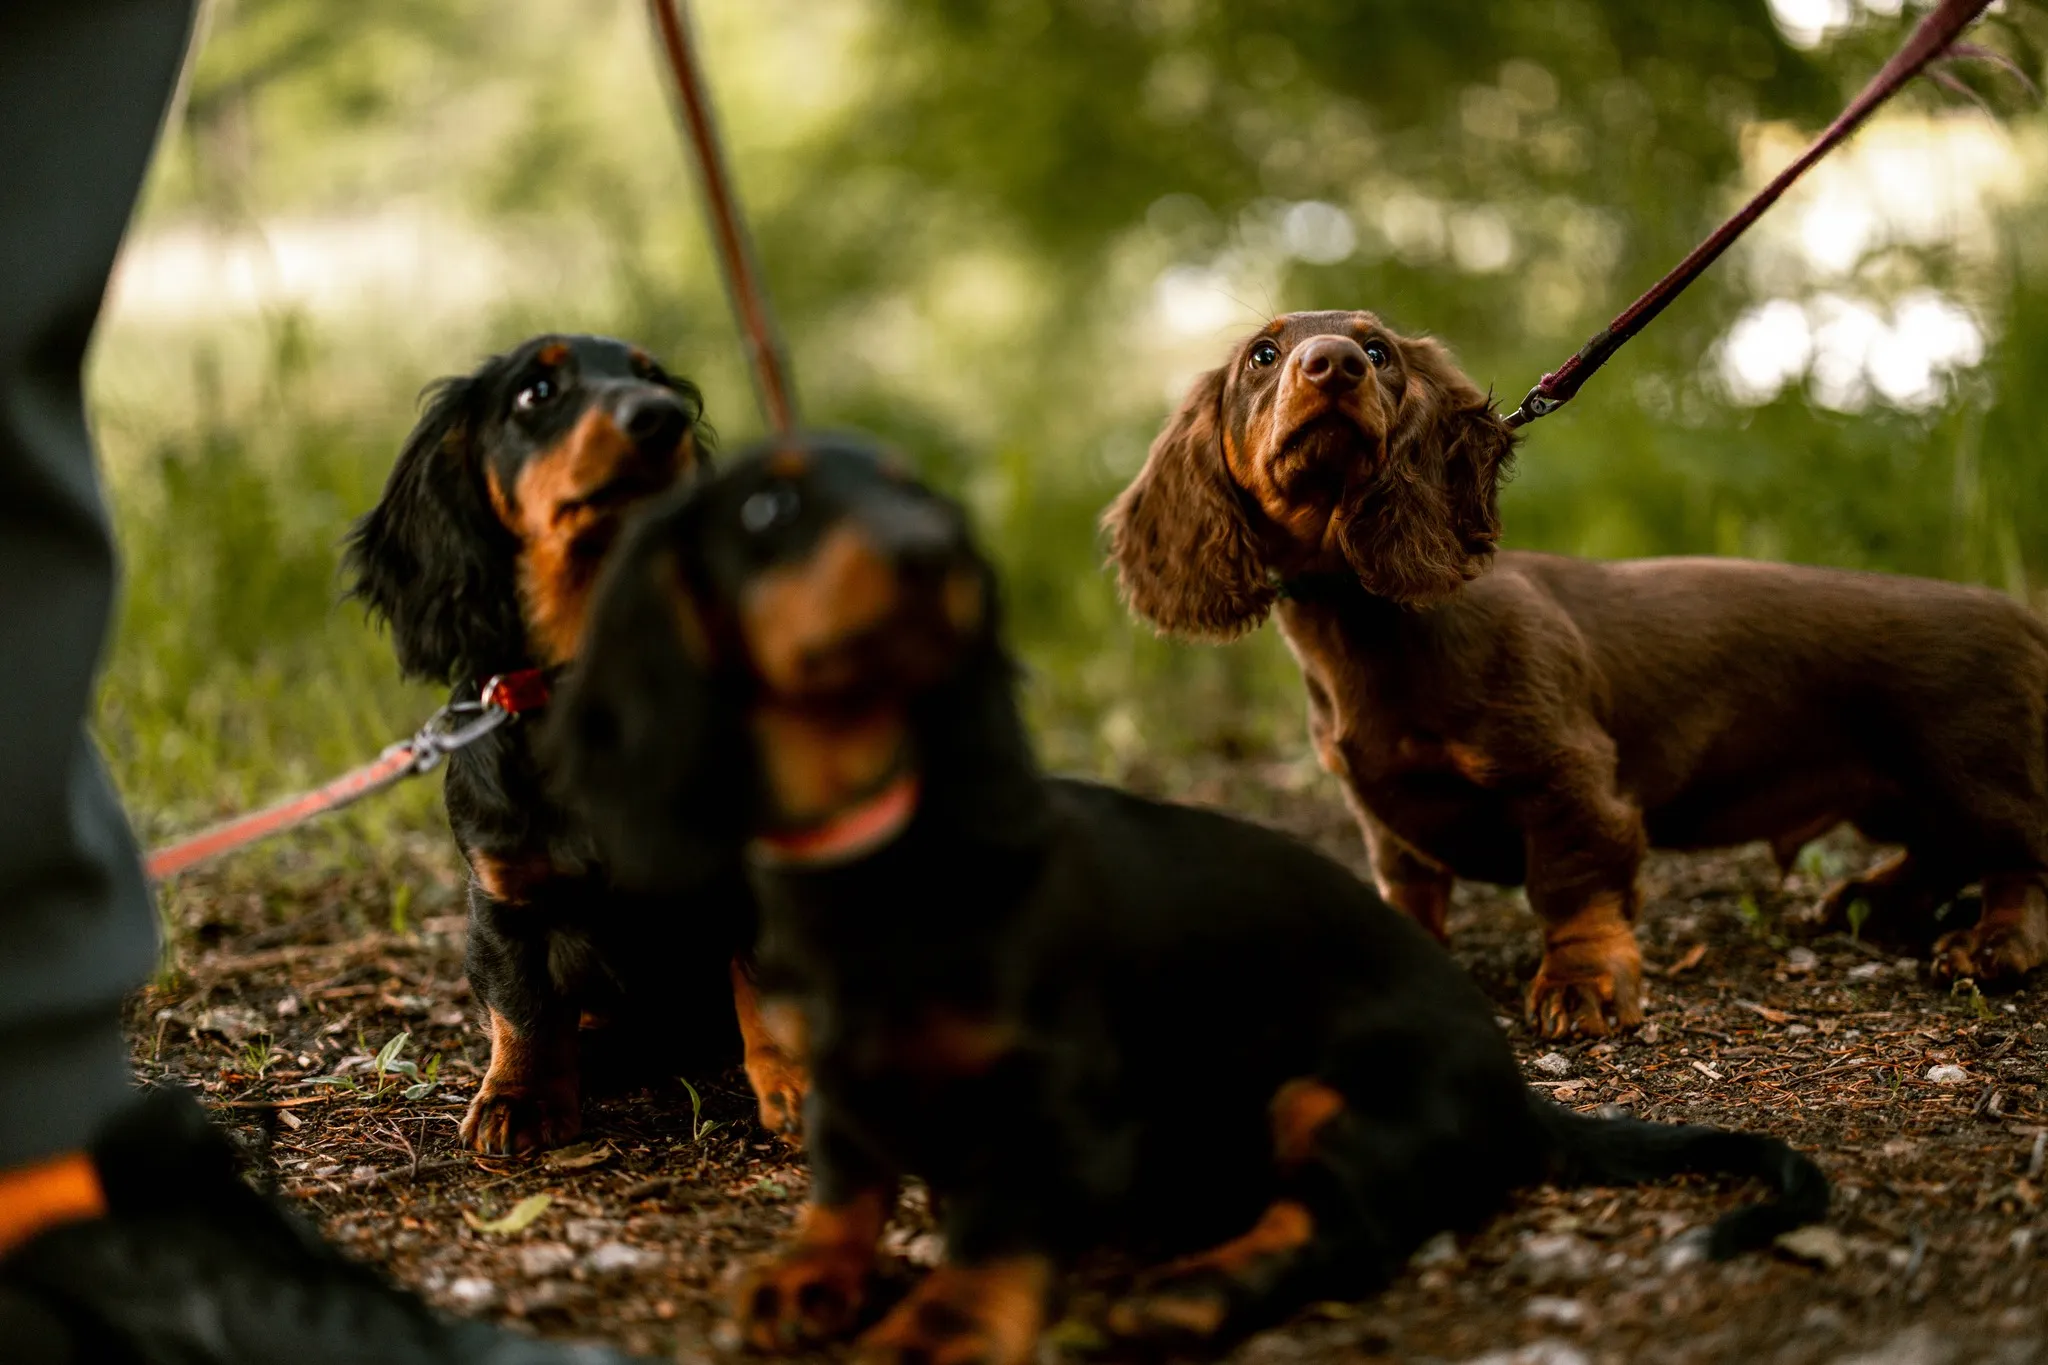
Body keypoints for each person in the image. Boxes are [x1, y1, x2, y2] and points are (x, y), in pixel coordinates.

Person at [0, 6, 645, 1361]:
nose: (633, 420)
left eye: (648, 401)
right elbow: (509, 924)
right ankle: (40, 1200)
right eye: (549, 402)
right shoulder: (494, 753)